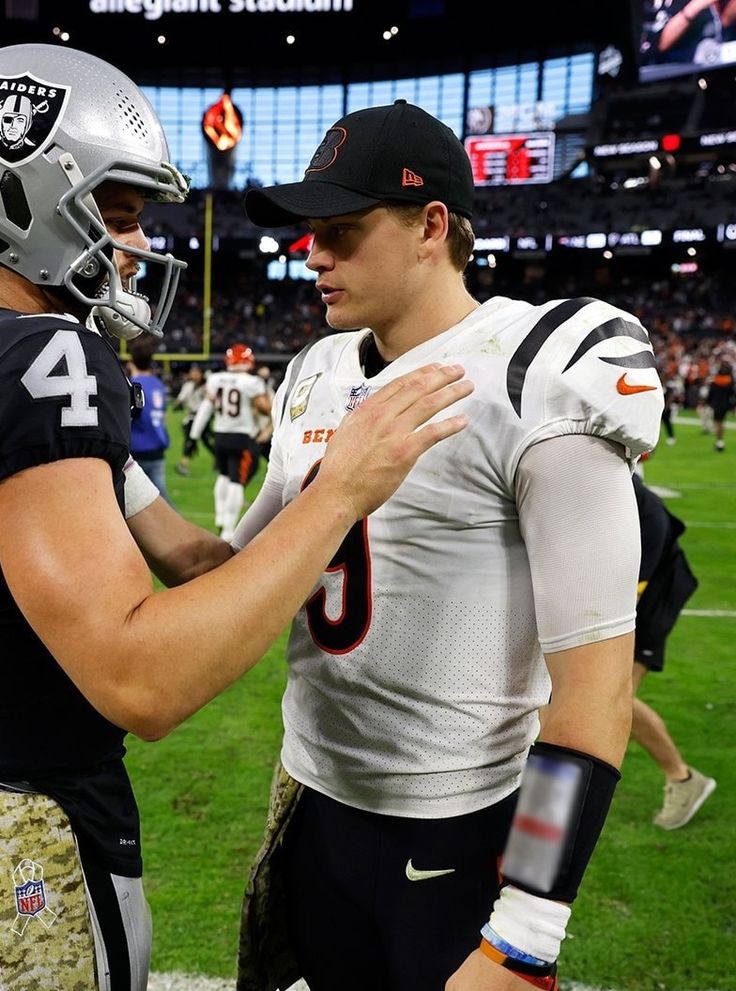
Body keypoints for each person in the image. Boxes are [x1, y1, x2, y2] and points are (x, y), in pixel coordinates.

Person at [0, 50, 473, 991]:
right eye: (119, 213)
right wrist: (341, 489)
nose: (132, 247)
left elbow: (197, 557)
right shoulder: (45, 352)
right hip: (32, 817)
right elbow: (142, 678)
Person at [233, 100, 664, 991]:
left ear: (432, 225)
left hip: (453, 831)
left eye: (342, 231)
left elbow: (594, 700)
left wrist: (528, 930)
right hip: (312, 805)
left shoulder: (533, 374)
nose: (312, 255)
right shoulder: (316, 369)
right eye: (311, 233)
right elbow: (235, 568)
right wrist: (105, 477)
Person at [630, 474, 716, 829]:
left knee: (611, 697)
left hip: (655, 583)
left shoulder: (631, 509)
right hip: (629, 566)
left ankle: (682, 779)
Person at [187, 342, 271, 540]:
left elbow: (205, 409)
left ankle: (220, 516)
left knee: (224, 475)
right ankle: (227, 529)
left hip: (221, 434)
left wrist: (193, 436)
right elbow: (265, 408)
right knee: (237, 481)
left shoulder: (215, 380)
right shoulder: (252, 382)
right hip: (241, 436)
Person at [127, 337, 172, 502]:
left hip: (138, 446)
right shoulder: (157, 384)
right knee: (160, 496)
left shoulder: (132, 384)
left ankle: (172, 526)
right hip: (157, 444)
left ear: (132, 361)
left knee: (132, 501)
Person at [172, 363, 214, 476]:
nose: (194, 374)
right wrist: (176, 404)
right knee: (190, 441)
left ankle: (221, 461)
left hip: (203, 417)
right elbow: (181, 398)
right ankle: (183, 465)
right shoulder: (188, 385)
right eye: (193, 372)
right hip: (191, 417)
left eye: (197, 372)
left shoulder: (207, 386)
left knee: (207, 442)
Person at [707, 359, 735, 451]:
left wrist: (709, 402)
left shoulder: (715, 381)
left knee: (717, 423)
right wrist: (732, 406)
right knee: (722, 422)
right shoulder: (730, 381)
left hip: (717, 404)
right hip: (726, 404)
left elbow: (711, 393)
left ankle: (719, 442)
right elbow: (732, 394)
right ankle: (720, 441)